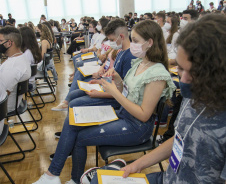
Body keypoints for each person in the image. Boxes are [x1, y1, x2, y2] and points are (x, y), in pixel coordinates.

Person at [33, 19, 176, 184]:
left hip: (137, 128)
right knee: (73, 118)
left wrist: (114, 91)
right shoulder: (140, 63)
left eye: (136, 41)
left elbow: (144, 115)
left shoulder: (157, 73)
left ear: (150, 43)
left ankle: (69, 179)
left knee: (80, 137)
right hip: (124, 115)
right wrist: (118, 80)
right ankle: (53, 175)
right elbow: (127, 91)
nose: (133, 44)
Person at [89, 13, 226, 184]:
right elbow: (180, 139)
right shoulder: (195, 97)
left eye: (194, 71)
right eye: (181, 69)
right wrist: (137, 164)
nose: (182, 79)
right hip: (169, 178)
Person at [0, 27, 31, 113]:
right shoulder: (21, 57)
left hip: (5, 107)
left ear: (9, 43)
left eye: (0, 41)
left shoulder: (12, 66)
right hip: (15, 102)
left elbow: (4, 93)